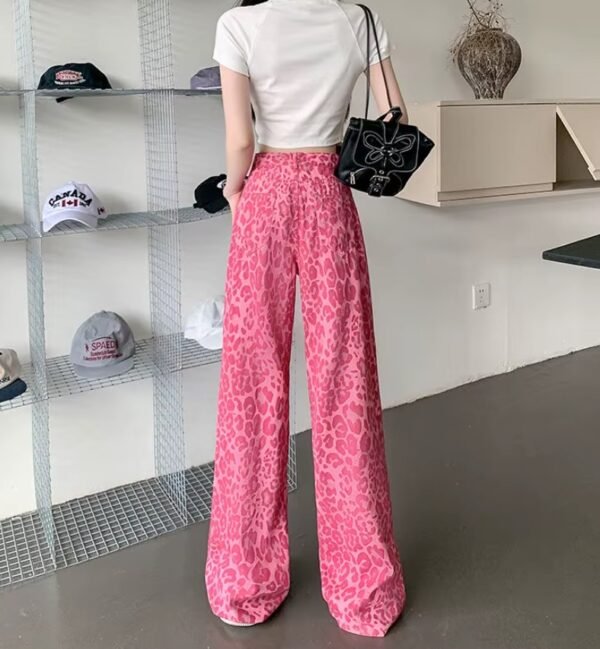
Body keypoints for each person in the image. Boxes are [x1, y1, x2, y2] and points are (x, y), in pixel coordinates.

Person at [205, 0, 409, 638]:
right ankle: (362, 589)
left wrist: (237, 191)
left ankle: (244, 583)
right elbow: (392, 110)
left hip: (264, 196)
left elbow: (241, 140)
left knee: (251, 388)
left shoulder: (239, 25)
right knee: (344, 385)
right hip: (330, 192)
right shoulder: (358, 20)